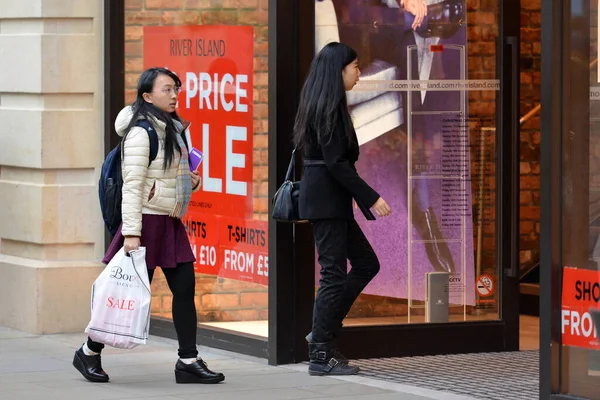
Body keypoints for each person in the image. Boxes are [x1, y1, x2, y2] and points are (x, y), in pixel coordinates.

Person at [73, 67, 225, 385]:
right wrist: (131, 232)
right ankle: (88, 351)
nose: (174, 95)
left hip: (168, 222)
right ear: (147, 96)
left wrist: (189, 181)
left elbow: (166, 177)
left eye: (176, 89)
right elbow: (133, 185)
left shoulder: (172, 128)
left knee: (185, 288)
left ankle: (188, 360)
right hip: (144, 223)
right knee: (122, 290)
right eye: (167, 89)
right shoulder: (142, 132)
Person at [293, 42, 392, 376]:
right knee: (333, 276)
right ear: (339, 71)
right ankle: (321, 352)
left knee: (366, 264)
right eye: (355, 67)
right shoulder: (328, 108)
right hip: (327, 200)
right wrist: (371, 197)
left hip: (330, 200)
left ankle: (323, 331)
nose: (359, 73)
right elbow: (337, 162)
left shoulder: (324, 103)